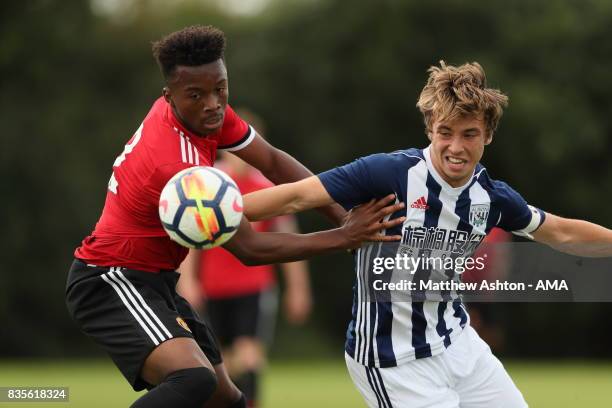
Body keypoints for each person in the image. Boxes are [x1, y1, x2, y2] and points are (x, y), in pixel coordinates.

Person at [65, 25, 404, 408]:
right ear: (169, 96)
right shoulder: (176, 165)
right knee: (192, 380)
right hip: (112, 280)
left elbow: (274, 162)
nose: (213, 103)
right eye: (197, 94)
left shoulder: (203, 115)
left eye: (221, 89)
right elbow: (249, 247)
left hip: (156, 279)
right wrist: (345, 237)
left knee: (227, 400)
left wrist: (342, 218)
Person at [243, 61, 612, 407]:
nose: (456, 147)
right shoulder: (386, 173)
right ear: (430, 128)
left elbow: (561, 233)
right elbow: (296, 196)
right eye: (445, 133)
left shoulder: (493, 198)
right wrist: (224, 211)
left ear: (488, 135)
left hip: (458, 343)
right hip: (391, 361)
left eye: (469, 134)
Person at [178, 149, 312, 408]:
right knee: (220, 359)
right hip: (213, 287)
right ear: (225, 153)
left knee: (249, 353)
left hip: (253, 286)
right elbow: (191, 235)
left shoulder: (266, 187)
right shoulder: (209, 184)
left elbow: (290, 239)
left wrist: (298, 289)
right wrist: (188, 281)